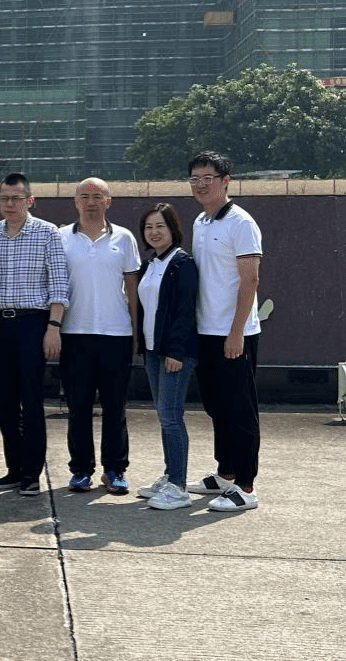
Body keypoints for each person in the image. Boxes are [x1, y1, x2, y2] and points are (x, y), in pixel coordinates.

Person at [0, 173, 69, 497]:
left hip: (33, 323)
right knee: (4, 401)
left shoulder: (47, 233)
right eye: (4, 198)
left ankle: (32, 473)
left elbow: (59, 284)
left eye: (16, 198)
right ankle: (14, 468)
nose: (10, 204)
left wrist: (53, 327)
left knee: (31, 400)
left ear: (30, 200)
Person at [187, 150, 263, 512]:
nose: (201, 185)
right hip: (205, 330)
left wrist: (236, 332)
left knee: (240, 410)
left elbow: (250, 280)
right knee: (216, 406)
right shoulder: (200, 222)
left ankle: (245, 486)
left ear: (226, 181)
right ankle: (226, 473)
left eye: (208, 178)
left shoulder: (241, 223)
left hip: (234, 332)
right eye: (195, 179)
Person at [58, 177, 140, 495]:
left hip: (116, 334)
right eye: (85, 196)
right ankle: (81, 470)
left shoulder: (125, 238)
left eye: (97, 196)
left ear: (109, 201)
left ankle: (115, 470)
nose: (91, 202)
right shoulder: (61, 237)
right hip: (74, 334)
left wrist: (135, 332)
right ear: (75, 201)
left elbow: (132, 289)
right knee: (78, 407)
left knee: (114, 407)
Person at [134, 203, 199, 510]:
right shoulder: (150, 264)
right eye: (148, 227)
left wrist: (176, 351)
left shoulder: (182, 264)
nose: (154, 232)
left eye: (160, 226)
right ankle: (170, 475)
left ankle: (179, 487)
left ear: (173, 229)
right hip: (153, 350)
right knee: (164, 415)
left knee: (171, 416)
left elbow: (186, 311)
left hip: (174, 354)